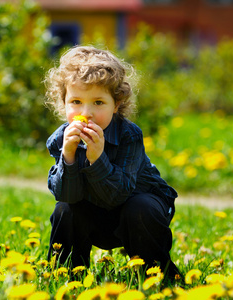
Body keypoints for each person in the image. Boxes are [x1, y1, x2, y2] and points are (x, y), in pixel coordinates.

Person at [44, 45, 181, 282]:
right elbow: (65, 194)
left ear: (116, 105)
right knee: (65, 210)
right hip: (95, 213)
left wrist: (97, 159)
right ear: (63, 103)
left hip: (137, 209)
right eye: (76, 101)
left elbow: (119, 196)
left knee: (139, 208)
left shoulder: (129, 135)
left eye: (98, 103)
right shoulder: (61, 139)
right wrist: (68, 156)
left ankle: (159, 275)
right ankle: (66, 275)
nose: (85, 113)